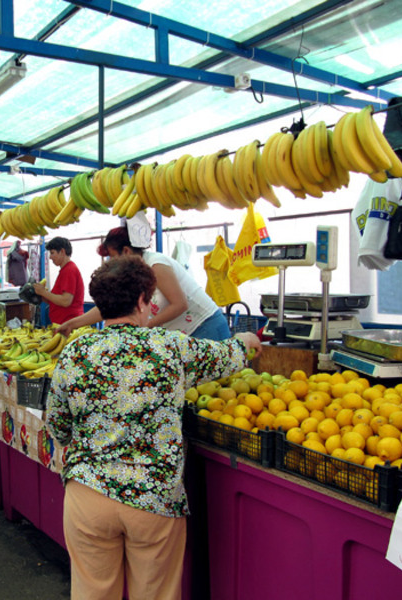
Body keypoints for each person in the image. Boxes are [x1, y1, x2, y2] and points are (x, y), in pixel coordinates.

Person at [46, 256, 261, 599]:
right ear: (142, 301)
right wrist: (246, 339)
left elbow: (58, 426)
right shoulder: (169, 346)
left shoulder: (75, 353)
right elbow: (228, 355)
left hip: (88, 495)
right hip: (154, 498)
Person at [59, 227, 231, 341]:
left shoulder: (156, 265)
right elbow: (109, 307)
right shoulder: (129, 274)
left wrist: (144, 326)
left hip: (205, 326)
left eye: (112, 256)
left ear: (126, 251)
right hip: (182, 336)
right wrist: (72, 324)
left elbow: (180, 304)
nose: (111, 261)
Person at [33, 237, 85, 325]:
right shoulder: (65, 270)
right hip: (63, 324)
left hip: (69, 325)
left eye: (52, 253)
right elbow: (58, 300)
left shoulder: (69, 270)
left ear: (62, 252)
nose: (50, 257)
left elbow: (65, 301)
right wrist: (41, 295)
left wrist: (44, 292)